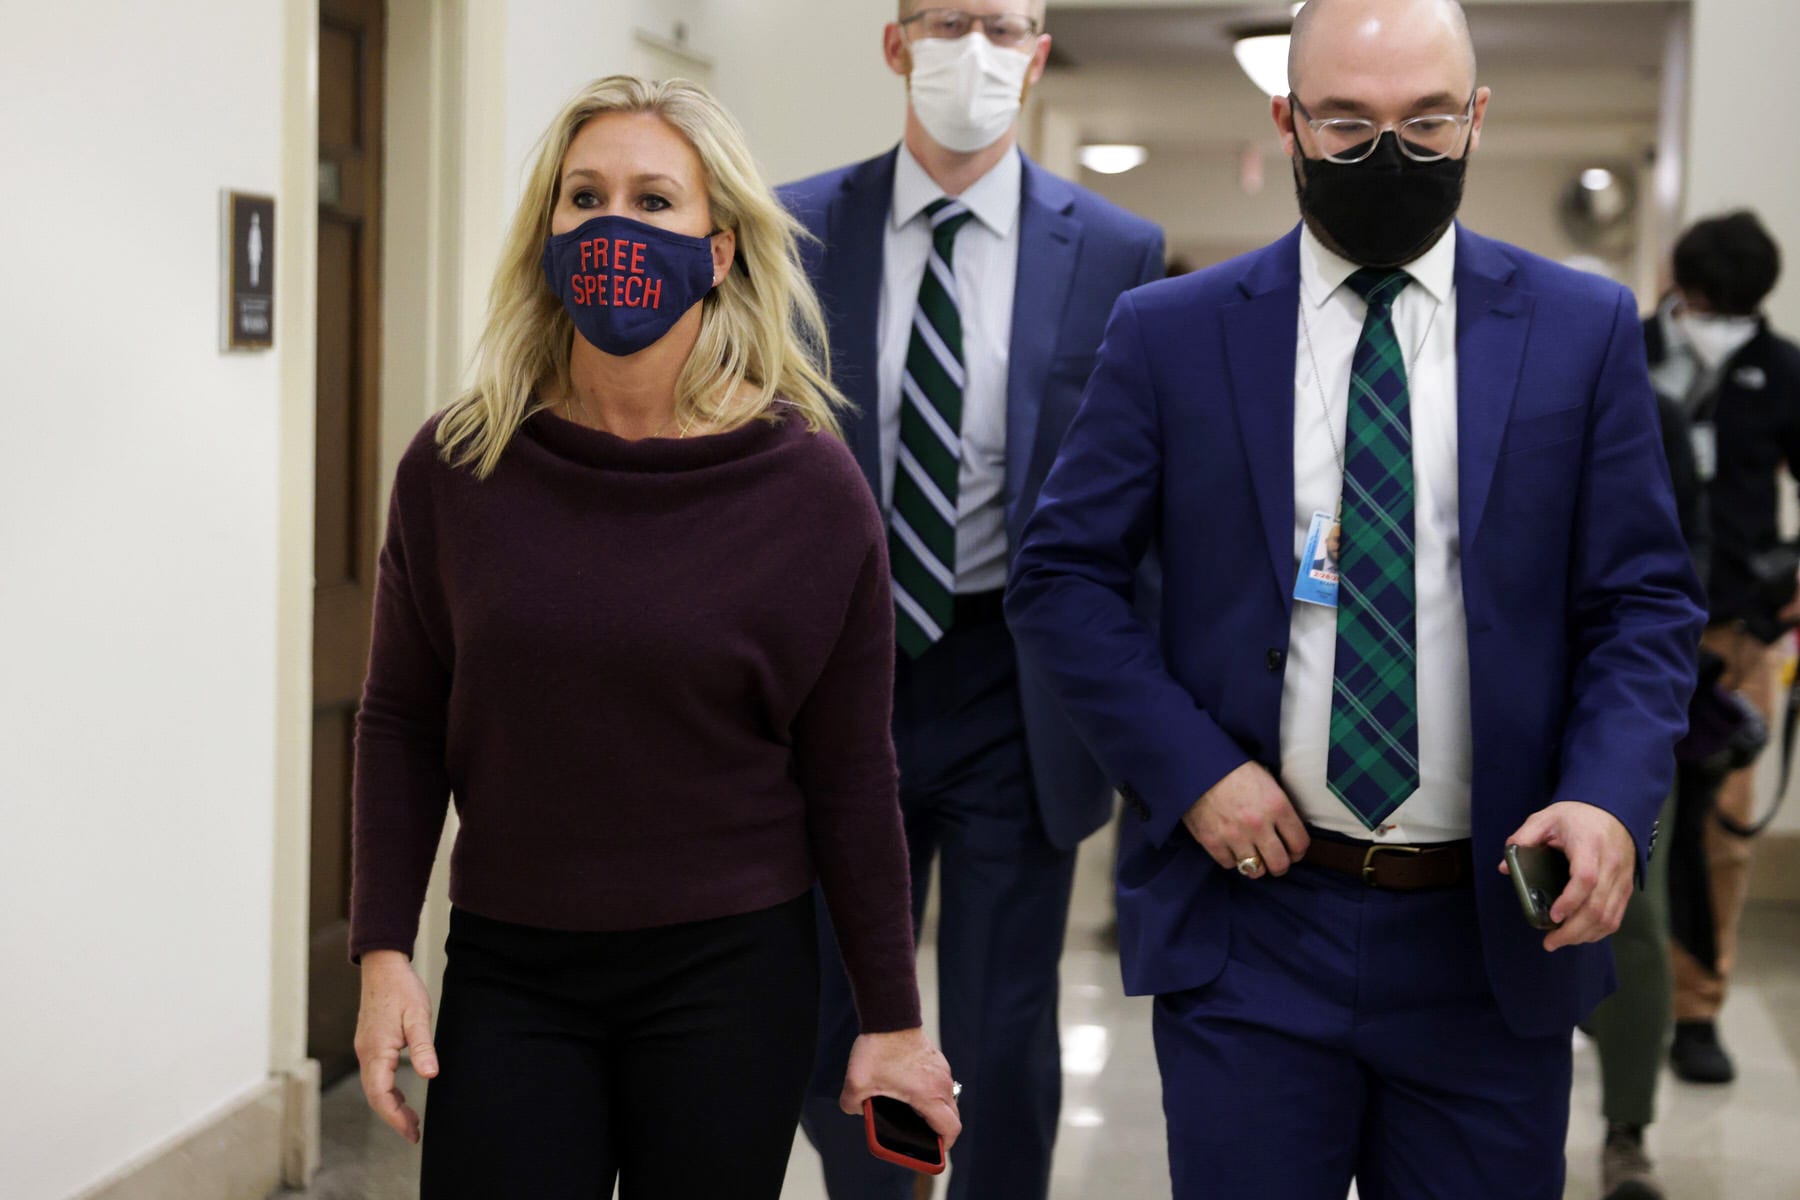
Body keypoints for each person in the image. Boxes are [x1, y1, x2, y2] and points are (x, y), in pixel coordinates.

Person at [1004, 1, 1706, 1196]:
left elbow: (1643, 602)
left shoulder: (1579, 330)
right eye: (1348, 123)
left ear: (1477, 118)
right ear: (1287, 122)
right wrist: (1189, 771)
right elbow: (1064, 577)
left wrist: (1606, 799)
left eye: (1427, 121)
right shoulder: (1170, 333)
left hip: (1490, 933)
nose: (1392, 153)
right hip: (1254, 925)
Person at [347, 75, 959, 1199]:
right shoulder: (459, 467)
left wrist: (893, 1019)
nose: (613, 226)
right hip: (512, 966)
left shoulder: (808, 488)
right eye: (584, 197)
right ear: (547, 234)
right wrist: (385, 951)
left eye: (653, 199)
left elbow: (850, 774)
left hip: (730, 975)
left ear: (720, 250)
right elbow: (399, 721)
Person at [780, 4, 1164, 1197]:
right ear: (897, 46)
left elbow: (1137, 497)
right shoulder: (792, 227)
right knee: (833, 1009)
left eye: (1007, 25)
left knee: (1003, 1024)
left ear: (1040, 54)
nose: (980, 49)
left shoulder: (1114, 249)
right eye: (951, 20)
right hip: (844, 678)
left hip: (1015, 682)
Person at [1645, 210, 1800, 1085]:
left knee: (1722, 832)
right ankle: (1602, 996)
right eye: (1706, 303)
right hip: (1625, 627)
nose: (1715, 319)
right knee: (1617, 810)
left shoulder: (1781, 373)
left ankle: (1697, 1011)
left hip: (1737, 633)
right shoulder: (1623, 350)